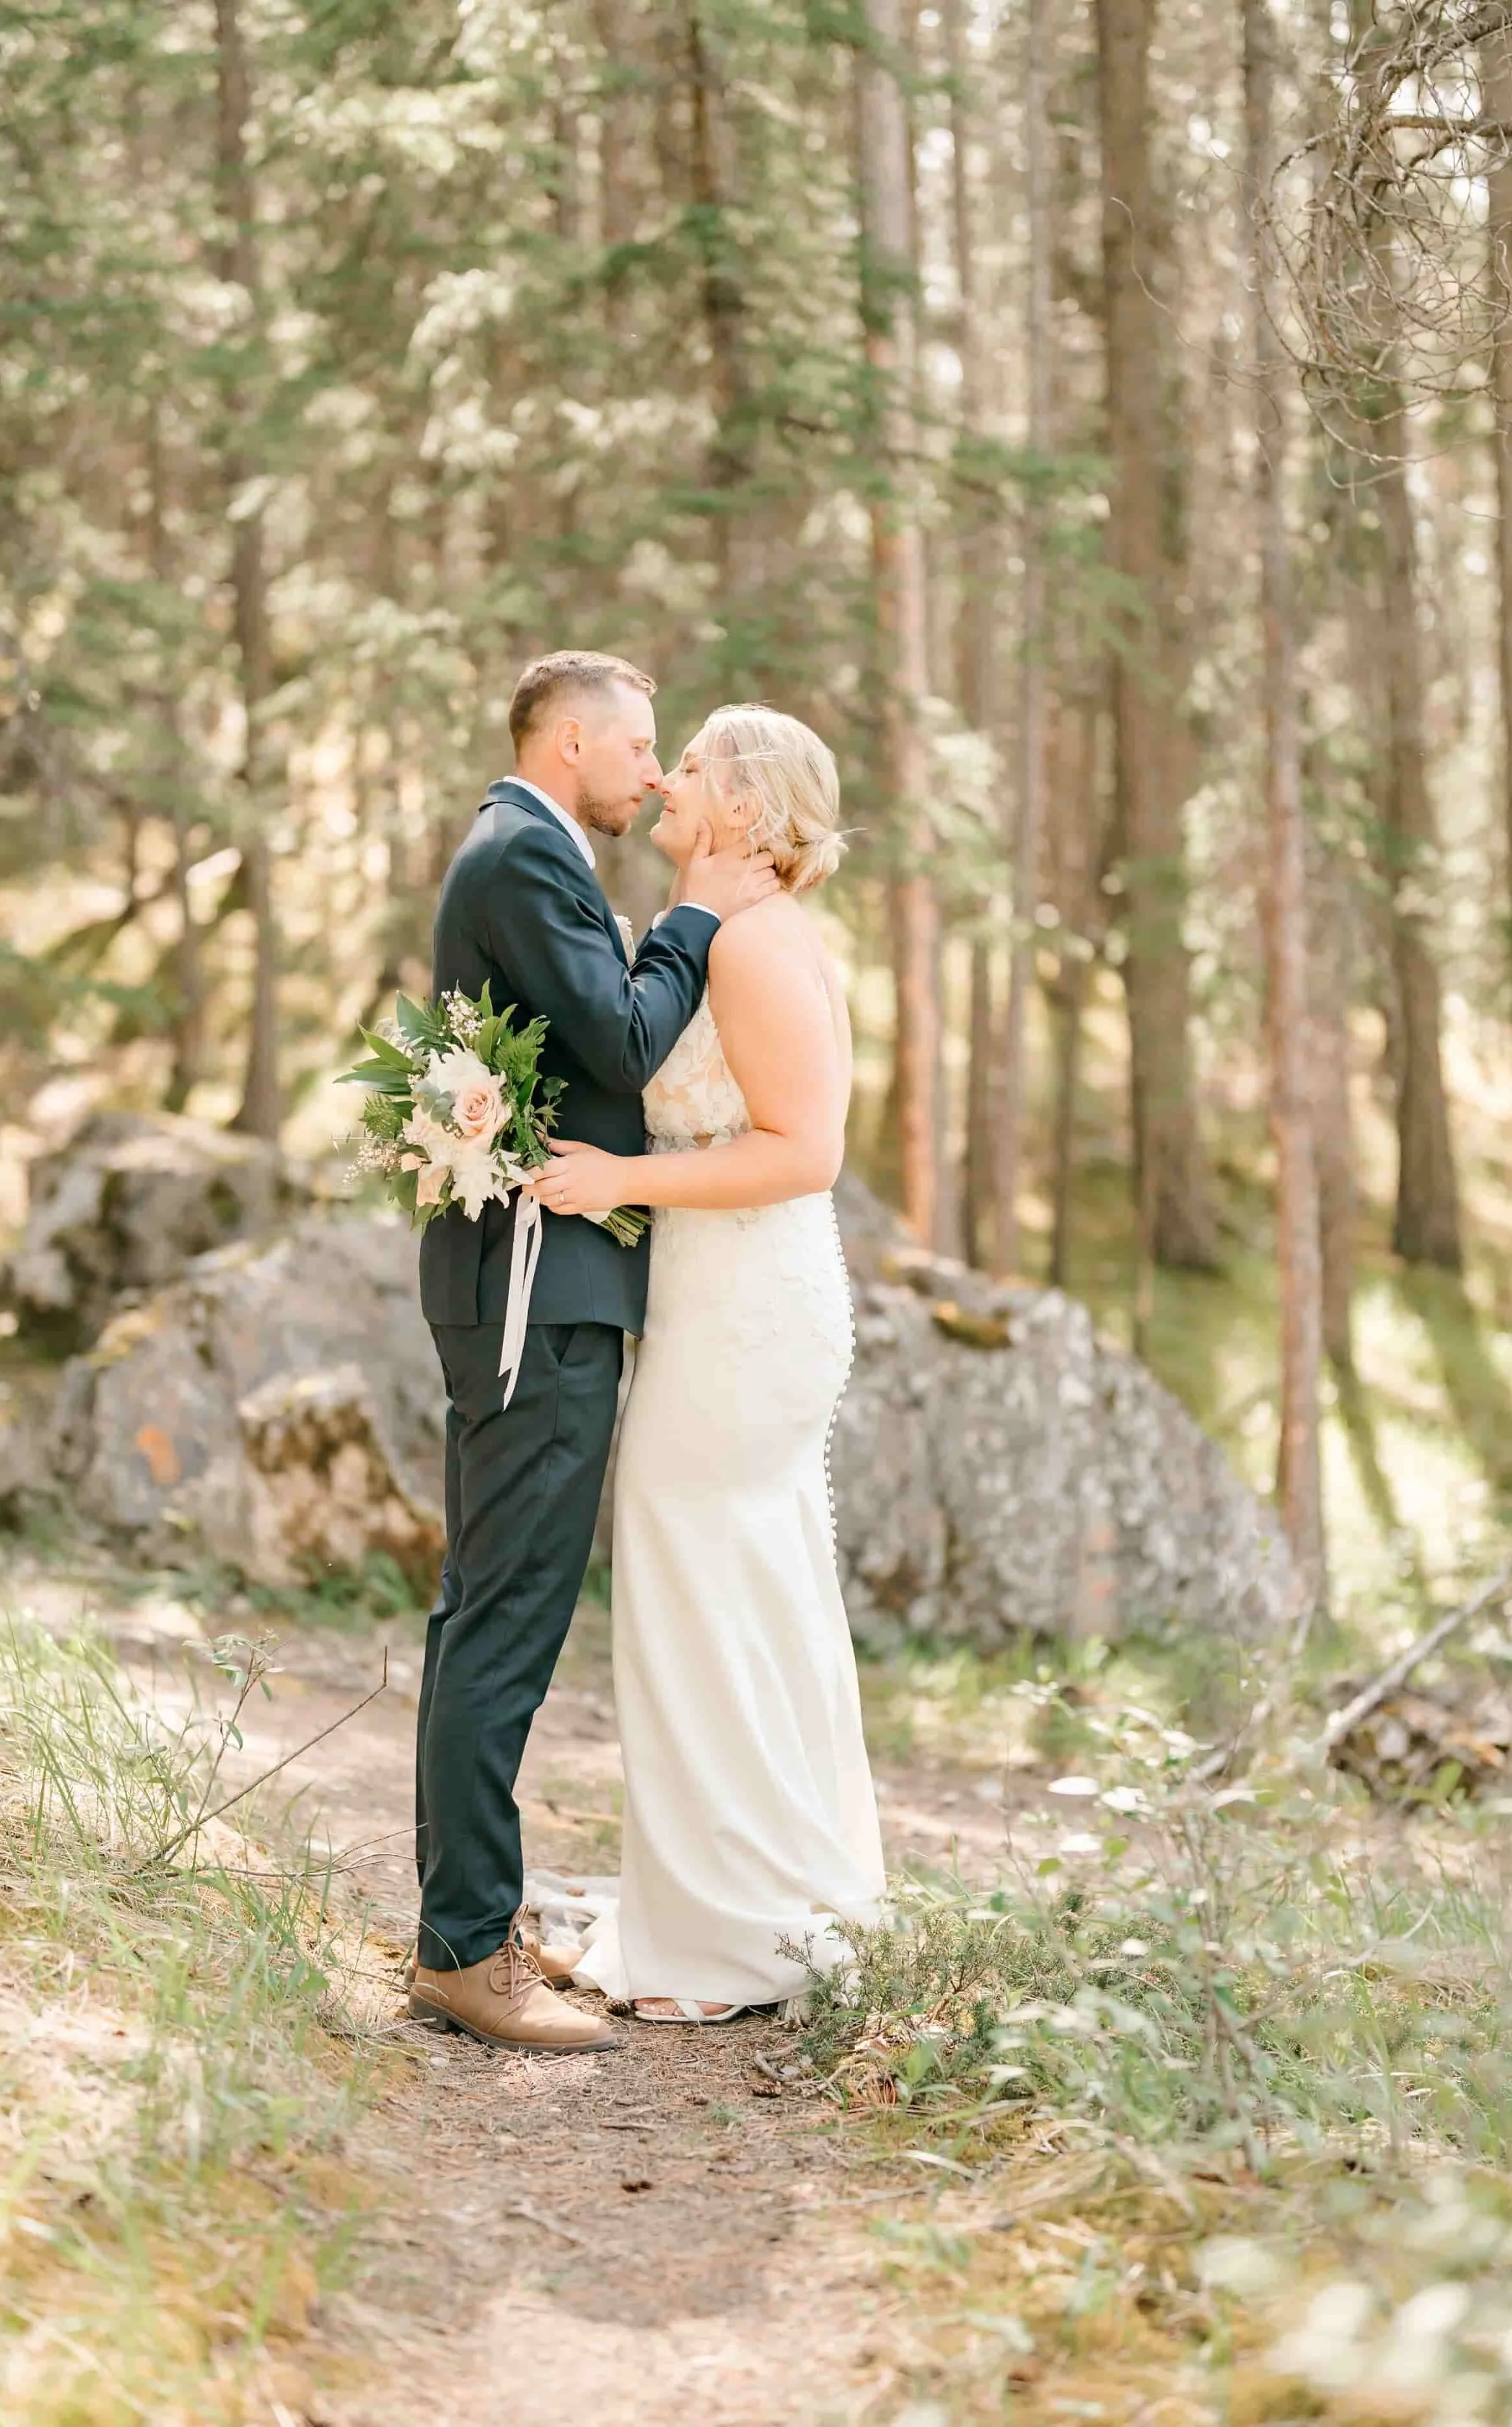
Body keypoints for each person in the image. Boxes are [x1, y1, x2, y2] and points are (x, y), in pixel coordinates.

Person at [409, 651, 779, 2055]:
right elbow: (625, 1045)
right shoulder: (521, 858)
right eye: (636, 747)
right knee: (502, 1614)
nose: (653, 772)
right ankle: (460, 1950)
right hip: (533, 1291)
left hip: (549, 1281)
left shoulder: (536, 853)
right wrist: (693, 909)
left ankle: (473, 1923)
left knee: (488, 1607)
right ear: (570, 741)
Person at [526, 704, 887, 2022]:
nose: (664, 780)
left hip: (746, 1299)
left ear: (735, 803)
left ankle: (733, 1936)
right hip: (720, 1292)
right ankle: (748, 1900)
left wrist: (619, 1176)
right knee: (736, 1583)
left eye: (686, 768)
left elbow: (804, 1149)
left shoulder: (752, 945)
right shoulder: (730, 934)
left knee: (696, 1582)